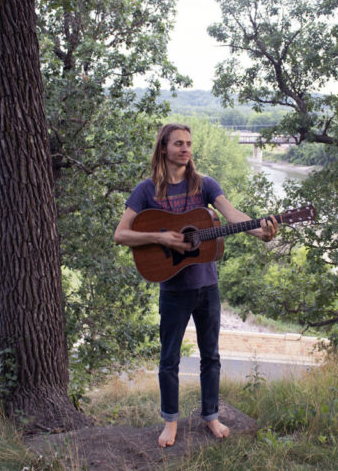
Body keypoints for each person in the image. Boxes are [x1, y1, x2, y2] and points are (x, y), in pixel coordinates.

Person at [114, 123, 277, 447]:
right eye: (178, 143)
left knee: (211, 356)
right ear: (164, 148)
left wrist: (261, 231)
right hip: (173, 288)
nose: (185, 148)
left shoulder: (205, 185)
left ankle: (211, 417)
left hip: (207, 286)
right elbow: (121, 234)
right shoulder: (147, 190)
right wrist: (159, 237)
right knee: (170, 358)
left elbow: (232, 215)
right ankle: (170, 422)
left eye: (189, 143)